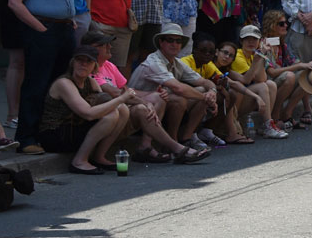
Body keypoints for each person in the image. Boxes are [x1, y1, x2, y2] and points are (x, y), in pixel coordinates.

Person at [7, 0, 77, 156]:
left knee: (58, 85)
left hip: (64, 29)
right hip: (41, 29)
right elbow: (14, 3)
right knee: (36, 84)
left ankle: (50, 135)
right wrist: (40, 28)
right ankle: (26, 138)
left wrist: (70, 19)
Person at [86, 29, 205, 162]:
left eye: (178, 41)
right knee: (147, 106)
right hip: (108, 115)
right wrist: (144, 102)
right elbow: (115, 93)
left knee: (159, 97)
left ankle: (146, 146)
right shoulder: (89, 68)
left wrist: (151, 96)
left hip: (123, 109)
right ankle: (176, 147)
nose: (110, 47)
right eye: (104, 45)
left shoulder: (109, 65)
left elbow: (127, 90)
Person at [39, 45, 136, 173]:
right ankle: (79, 161)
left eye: (88, 61)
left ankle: (99, 156)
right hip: (55, 134)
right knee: (111, 115)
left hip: (74, 126)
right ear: (73, 63)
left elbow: (105, 104)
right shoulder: (64, 83)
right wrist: (121, 98)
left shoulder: (90, 81)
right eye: (80, 60)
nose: (83, 64)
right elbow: (88, 114)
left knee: (122, 110)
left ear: (95, 66)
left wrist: (140, 103)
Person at [126, 24, 220, 152]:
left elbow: (204, 82)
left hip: (158, 105)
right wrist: (206, 98)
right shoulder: (154, 61)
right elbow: (178, 88)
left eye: (178, 41)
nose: (174, 44)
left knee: (201, 91)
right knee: (179, 99)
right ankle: (169, 143)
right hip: (137, 106)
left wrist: (212, 92)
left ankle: (186, 138)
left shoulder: (177, 62)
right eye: (170, 40)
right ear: (161, 42)